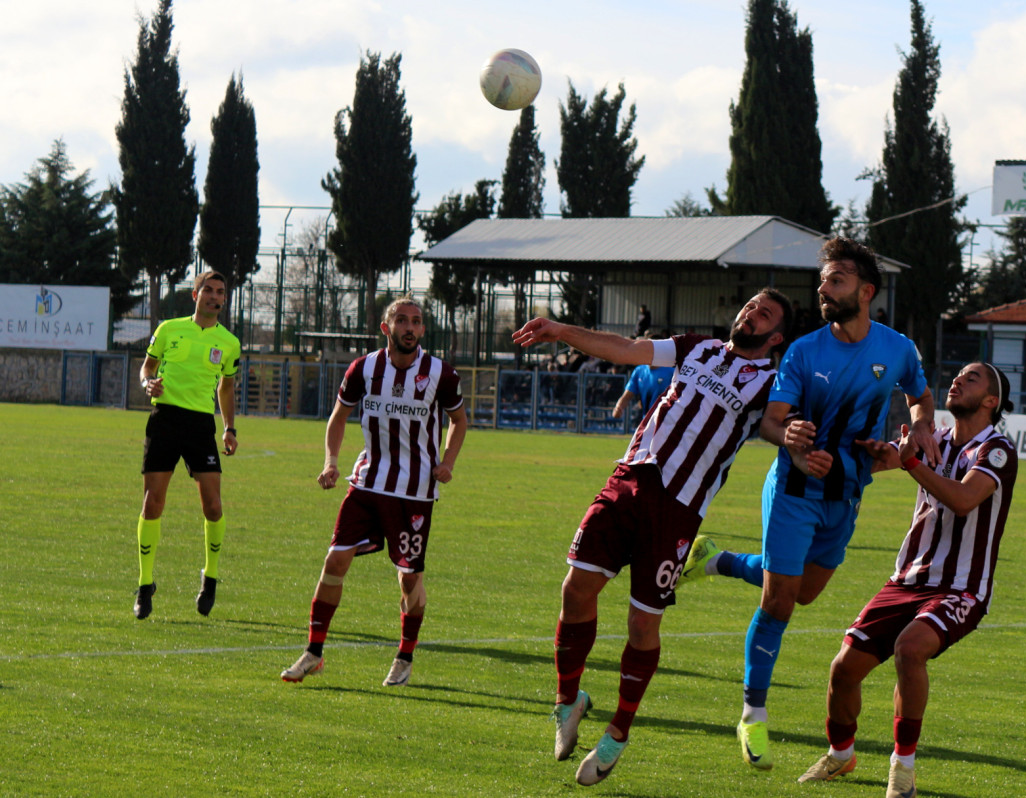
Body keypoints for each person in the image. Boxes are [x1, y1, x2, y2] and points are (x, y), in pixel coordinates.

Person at [512, 289, 801, 786]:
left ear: (776, 337)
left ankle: (618, 732)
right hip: (628, 479)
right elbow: (627, 349)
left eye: (764, 313)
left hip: (678, 508)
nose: (750, 312)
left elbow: (778, 426)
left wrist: (797, 435)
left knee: (641, 626)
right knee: (574, 589)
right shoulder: (697, 348)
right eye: (750, 305)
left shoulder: (769, 383)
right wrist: (562, 331)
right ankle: (567, 702)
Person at [679, 236, 938, 771]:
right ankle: (753, 714)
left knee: (805, 595)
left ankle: (716, 560)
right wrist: (791, 440)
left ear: (866, 291)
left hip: (846, 494)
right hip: (794, 491)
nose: (825, 287)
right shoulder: (802, 351)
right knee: (778, 604)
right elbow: (772, 421)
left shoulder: (897, 349)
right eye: (822, 281)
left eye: (836, 280)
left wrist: (920, 428)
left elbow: (919, 394)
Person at [796, 362, 1017, 797]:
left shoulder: (996, 450)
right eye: (957, 375)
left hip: (961, 587)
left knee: (910, 649)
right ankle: (841, 755)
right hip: (907, 579)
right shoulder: (933, 439)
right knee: (843, 670)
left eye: (971, 378)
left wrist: (911, 461)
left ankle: (903, 767)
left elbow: (963, 500)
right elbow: (885, 462)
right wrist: (862, 456)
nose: (956, 380)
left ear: (991, 401)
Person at [280, 296, 468, 687]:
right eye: (402, 321)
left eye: (416, 322)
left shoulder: (440, 374)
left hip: (415, 491)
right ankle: (313, 652)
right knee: (335, 561)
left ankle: (404, 656)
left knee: (409, 580)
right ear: (387, 328)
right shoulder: (365, 368)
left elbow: (459, 420)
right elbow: (338, 417)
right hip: (367, 482)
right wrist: (331, 462)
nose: (410, 328)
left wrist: (448, 461)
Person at [134, 271, 241, 620]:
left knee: (213, 506)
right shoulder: (169, 329)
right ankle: (145, 584)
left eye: (220, 292)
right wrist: (148, 383)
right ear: (194, 295)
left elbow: (226, 387)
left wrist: (229, 428)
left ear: (224, 299)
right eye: (208, 290)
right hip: (164, 420)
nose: (214, 296)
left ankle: (210, 578)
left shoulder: (229, 342)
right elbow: (147, 367)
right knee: (153, 503)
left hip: (199, 426)